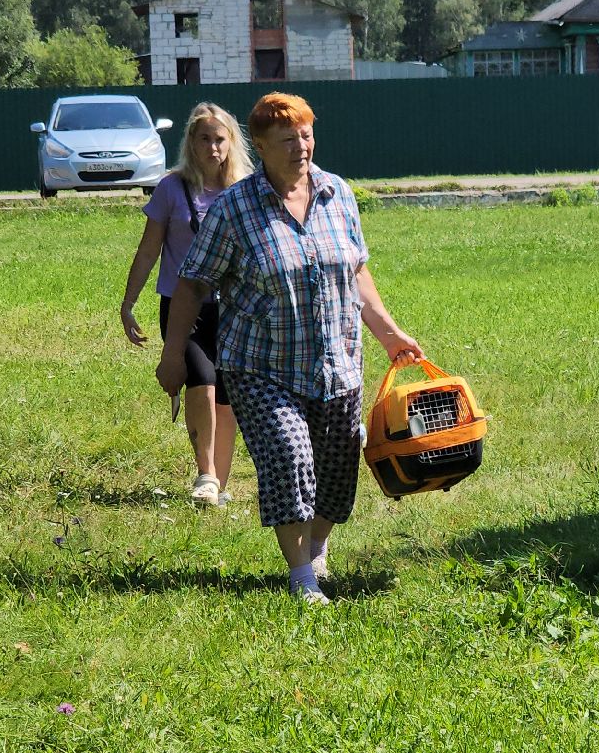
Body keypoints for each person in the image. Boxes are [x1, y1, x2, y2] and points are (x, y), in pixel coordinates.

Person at [158, 92, 421, 604]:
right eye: (287, 140)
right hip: (261, 366)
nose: (301, 147)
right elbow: (191, 284)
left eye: (306, 135)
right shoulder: (236, 208)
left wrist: (389, 333)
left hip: (336, 362)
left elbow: (357, 270)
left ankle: (317, 544)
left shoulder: (337, 192)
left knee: (339, 473)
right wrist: (173, 354)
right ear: (258, 146)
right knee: (289, 459)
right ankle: (301, 579)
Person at [122, 102, 253, 507]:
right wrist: (128, 304)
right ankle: (206, 473)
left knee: (228, 394)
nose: (213, 147)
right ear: (191, 143)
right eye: (204, 139)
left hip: (235, 308)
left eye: (220, 139)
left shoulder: (247, 188)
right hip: (182, 307)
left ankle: (219, 481)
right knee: (202, 380)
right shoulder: (171, 188)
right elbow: (148, 250)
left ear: (231, 143)